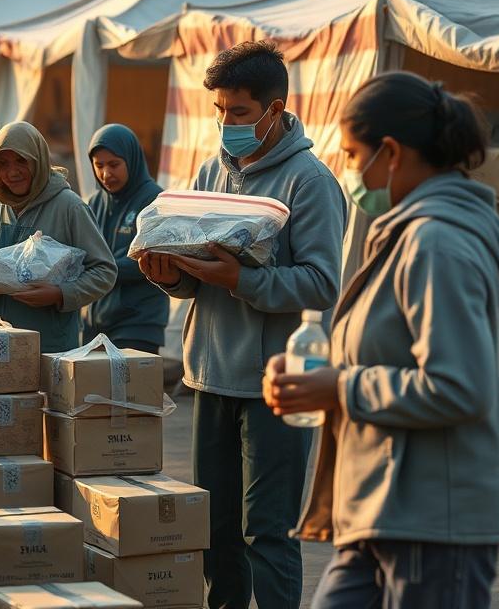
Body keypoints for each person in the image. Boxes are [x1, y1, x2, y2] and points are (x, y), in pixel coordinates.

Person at [264, 72, 499, 609]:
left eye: (355, 157)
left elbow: (459, 387)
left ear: (391, 153)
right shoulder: (406, 234)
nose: (352, 175)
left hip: (433, 525)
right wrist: (319, 377)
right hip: (381, 510)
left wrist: (340, 387)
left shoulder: (437, 244)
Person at [139, 41, 346, 609]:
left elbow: (322, 283)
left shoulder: (311, 181)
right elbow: (196, 277)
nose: (225, 124)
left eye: (240, 113)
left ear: (275, 110)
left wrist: (241, 280)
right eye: (219, 111)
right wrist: (168, 274)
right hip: (209, 376)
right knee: (216, 531)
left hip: (275, 384)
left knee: (268, 534)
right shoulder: (210, 172)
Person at [0, 121, 117, 353]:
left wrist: (59, 294)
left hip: (49, 348)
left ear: (39, 160)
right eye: (2, 164)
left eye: (21, 161)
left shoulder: (69, 206)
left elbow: (104, 271)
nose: (11, 172)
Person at [83, 123, 169, 357]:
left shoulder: (154, 200)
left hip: (138, 325)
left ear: (131, 159)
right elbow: (80, 252)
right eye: (99, 165)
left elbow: (148, 258)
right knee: (93, 392)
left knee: (128, 393)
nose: (106, 174)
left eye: (114, 164)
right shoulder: (94, 203)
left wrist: (97, 268)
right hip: (96, 324)